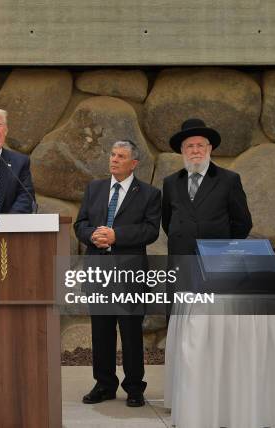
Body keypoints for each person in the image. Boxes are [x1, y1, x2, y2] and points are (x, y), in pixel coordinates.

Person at [74, 140, 161, 407]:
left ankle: (134, 387)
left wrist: (116, 236)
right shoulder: (95, 188)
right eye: (112, 154)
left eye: (120, 156)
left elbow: (151, 230)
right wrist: (94, 236)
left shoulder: (148, 194)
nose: (113, 159)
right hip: (98, 272)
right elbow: (80, 224)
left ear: (133, 163)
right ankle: (104, 384)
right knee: (101, 332)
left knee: (131, 333)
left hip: (130, 275)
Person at [162, 118, 252, 255]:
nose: (195, 151)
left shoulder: (229, 180)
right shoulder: (171, 182)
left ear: (209, 148)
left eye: (200, 145)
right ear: (182, 150)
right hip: (180, 259)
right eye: (190, 146)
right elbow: (167, 222)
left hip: (216, 259)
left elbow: (243, 223)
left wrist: (223, 247)